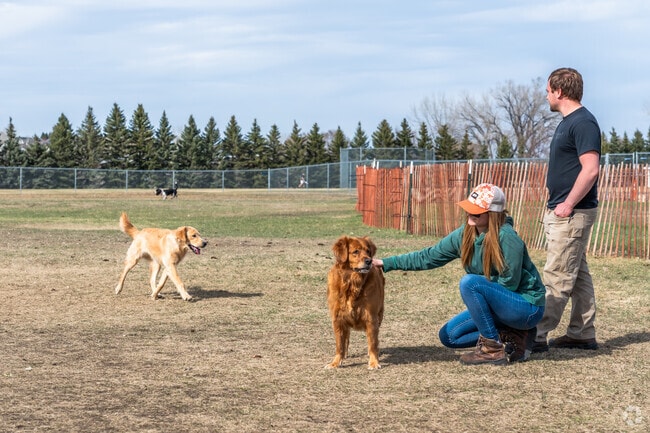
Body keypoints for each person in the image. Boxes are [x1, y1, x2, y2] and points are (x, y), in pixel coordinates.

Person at [373, 183, 546, 365]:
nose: (470, 214)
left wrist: (484, 301)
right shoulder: (465, 234)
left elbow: (509, 283)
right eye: (469, 209)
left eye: (477, 211)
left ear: (492, 213)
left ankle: (492, 349)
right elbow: (429, 256)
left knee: (470, 283)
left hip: (525, 307)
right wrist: (386, 263)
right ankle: (513, 334)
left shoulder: (507, 237)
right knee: (450, 336)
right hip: (500, 305)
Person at [533, 67, 601, 352]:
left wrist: (568, 204)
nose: (546, 95)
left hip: (572, 214)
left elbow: (590, 170)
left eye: (548, 90)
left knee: (558, 275)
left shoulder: (583, 123)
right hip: (565, 212)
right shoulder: (568, 122)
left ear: (559, 91)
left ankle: (534, 335)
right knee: (577, 273)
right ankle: (582, 332)